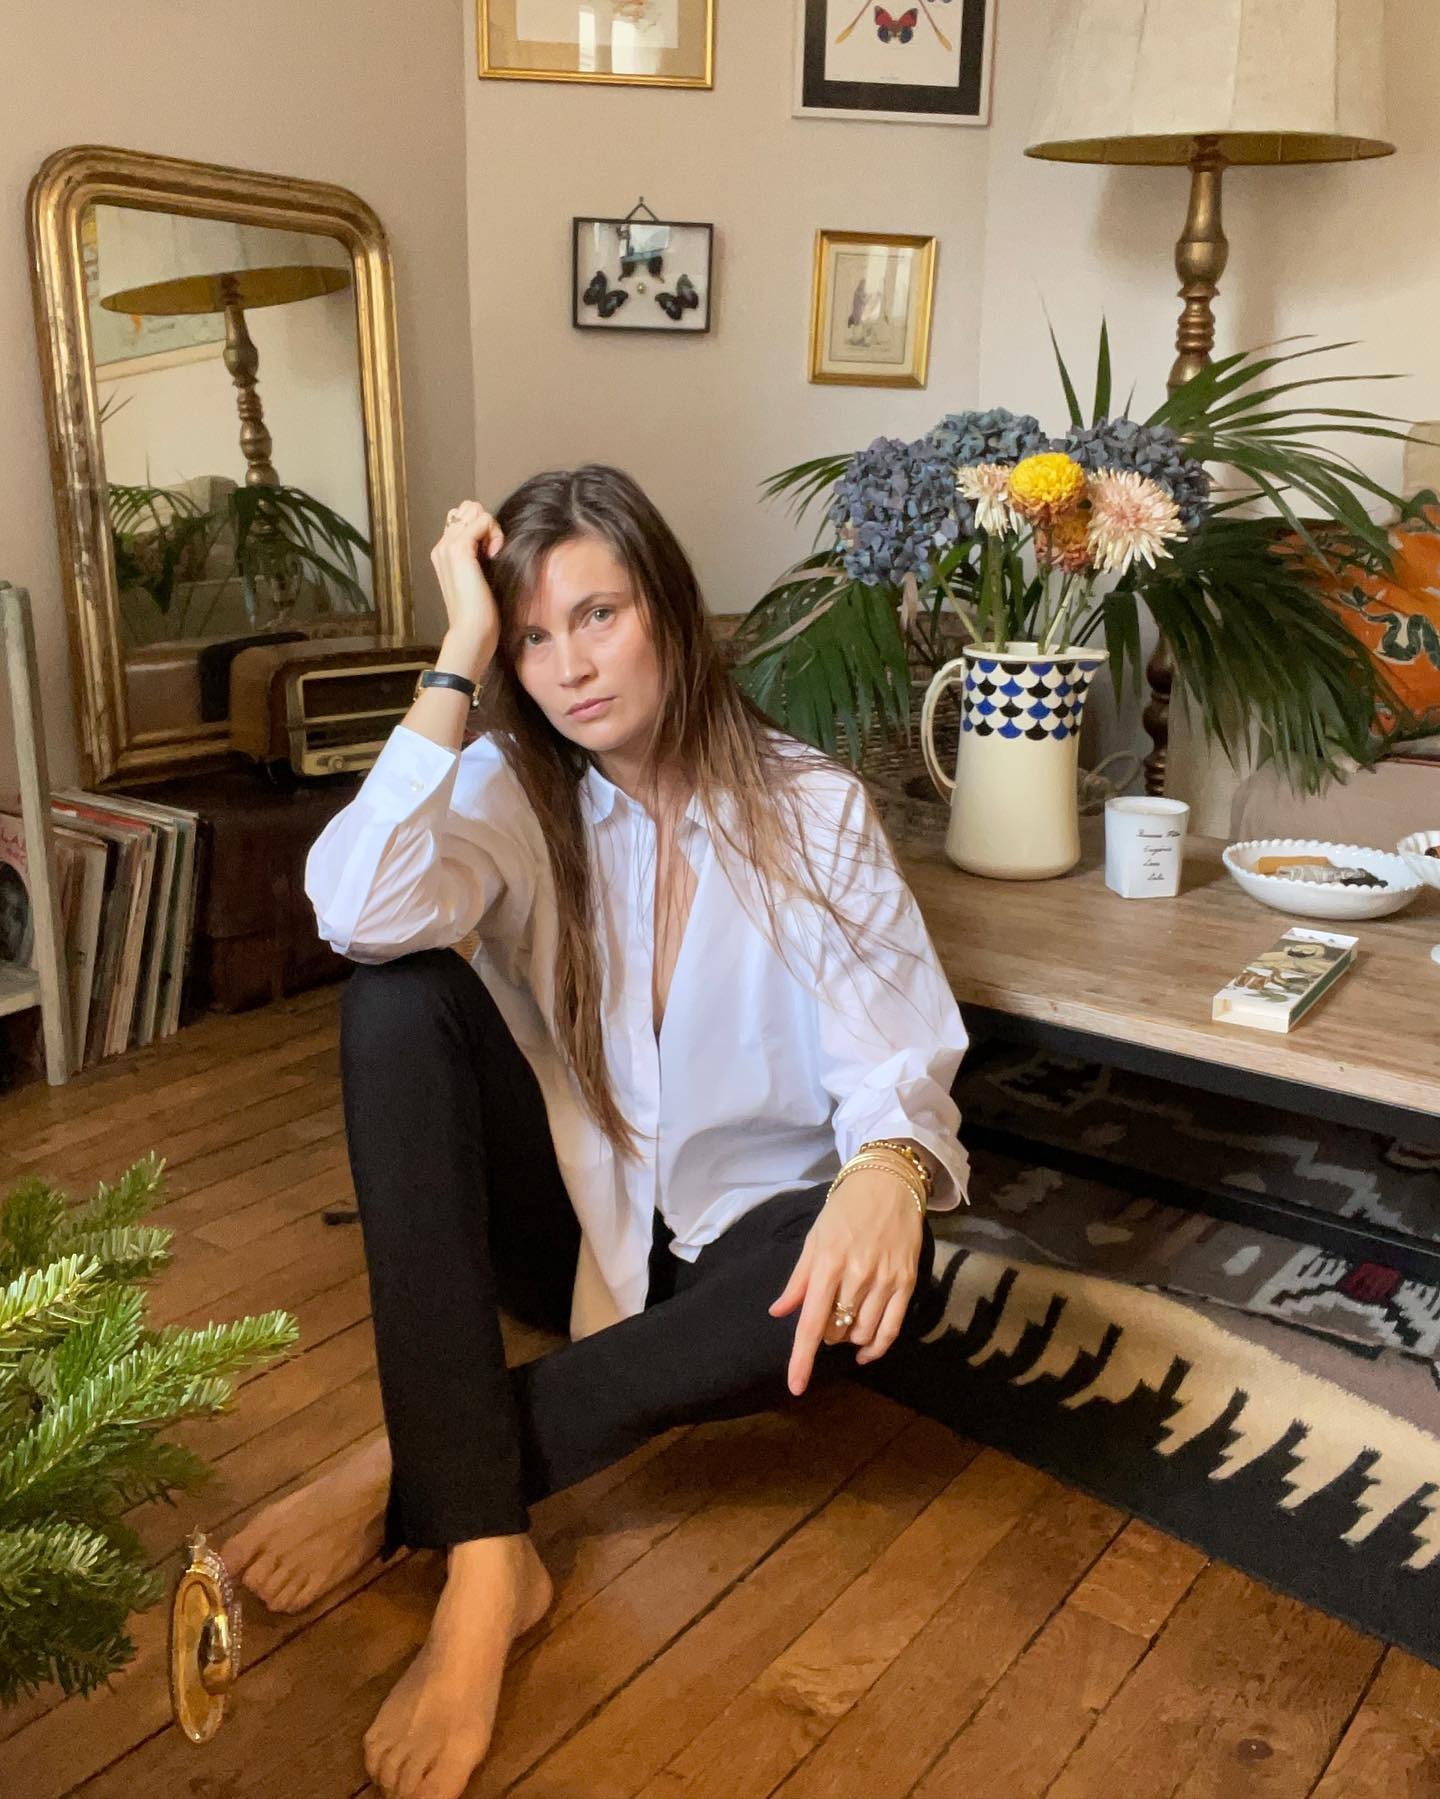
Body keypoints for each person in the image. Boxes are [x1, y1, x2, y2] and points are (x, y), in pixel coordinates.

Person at [222, 465, 971, 1799]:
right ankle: (484, 1558)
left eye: (600, 615)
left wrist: (890, 1173)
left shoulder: (814, 810)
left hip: (747, 1255)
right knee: (397, 1001)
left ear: (671, 612)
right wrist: (454, 656)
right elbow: (354, 907)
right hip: (576, 1227)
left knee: (863, 1286)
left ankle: (420, 1455)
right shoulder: (517, 789)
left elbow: (895, 1056)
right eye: (532, 635)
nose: (568, 665)